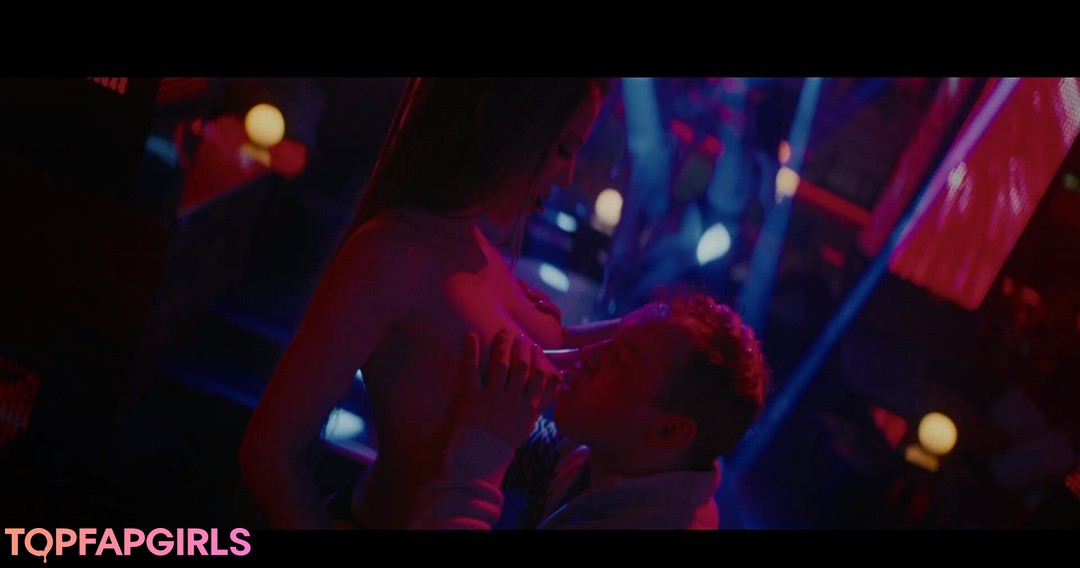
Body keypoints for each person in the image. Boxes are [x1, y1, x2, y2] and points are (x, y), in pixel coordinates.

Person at [238, 78, 617, 529]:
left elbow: (563, 349)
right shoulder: (394, 252)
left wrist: (662, 322)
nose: (568, 176)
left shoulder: (477, 251)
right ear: (500, 121)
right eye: (563, 149)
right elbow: (268, 453)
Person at [409, 287, 768, 529]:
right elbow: (526, 441)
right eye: (609, 341)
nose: (589, 354)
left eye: (622, 359)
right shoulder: (611, 460)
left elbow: (490, 442)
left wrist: (479, 455)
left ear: (669, 431)